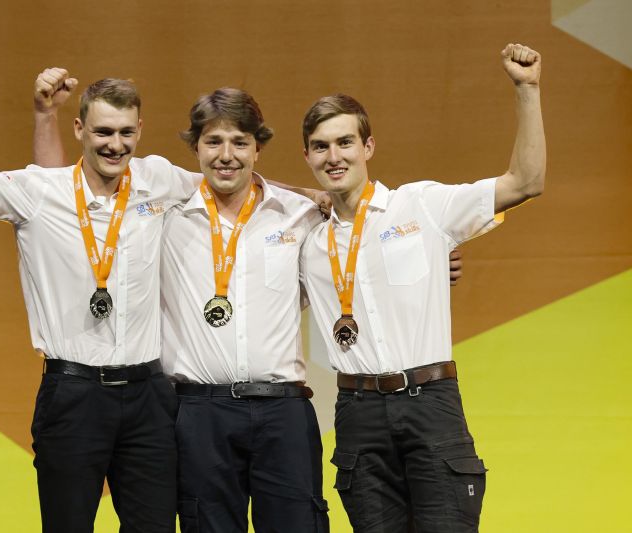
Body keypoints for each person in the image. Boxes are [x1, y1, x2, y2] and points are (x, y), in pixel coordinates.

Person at [0, 65, 204, 533]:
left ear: (140, 130)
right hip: (73, 395)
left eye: (126, 133)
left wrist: (312, 195)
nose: (115, 145)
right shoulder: (37, 192)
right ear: (80, 128)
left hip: (150, 396)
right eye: (103, 132)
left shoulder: (159, 179)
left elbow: (233, 185)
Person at [298, 43, 545, 532]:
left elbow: (526, 182)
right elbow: (246, 186)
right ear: (306, 156)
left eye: (345, 142)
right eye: (321, 147)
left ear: (368, 147)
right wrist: (307, 194)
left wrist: (528, 89)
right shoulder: (306, 242)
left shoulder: (422, 206)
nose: (334, 156)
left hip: (430, 402)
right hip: (358, 413)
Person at [160, 88, 328, 533]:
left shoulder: (301, 215)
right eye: (214, 141)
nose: (226, 155)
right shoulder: (165, 216)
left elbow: (360, 249)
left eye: (240, 142)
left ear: (258, 147)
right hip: (200, 412)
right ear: (195, 147)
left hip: (283, 411)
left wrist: (434, 257)